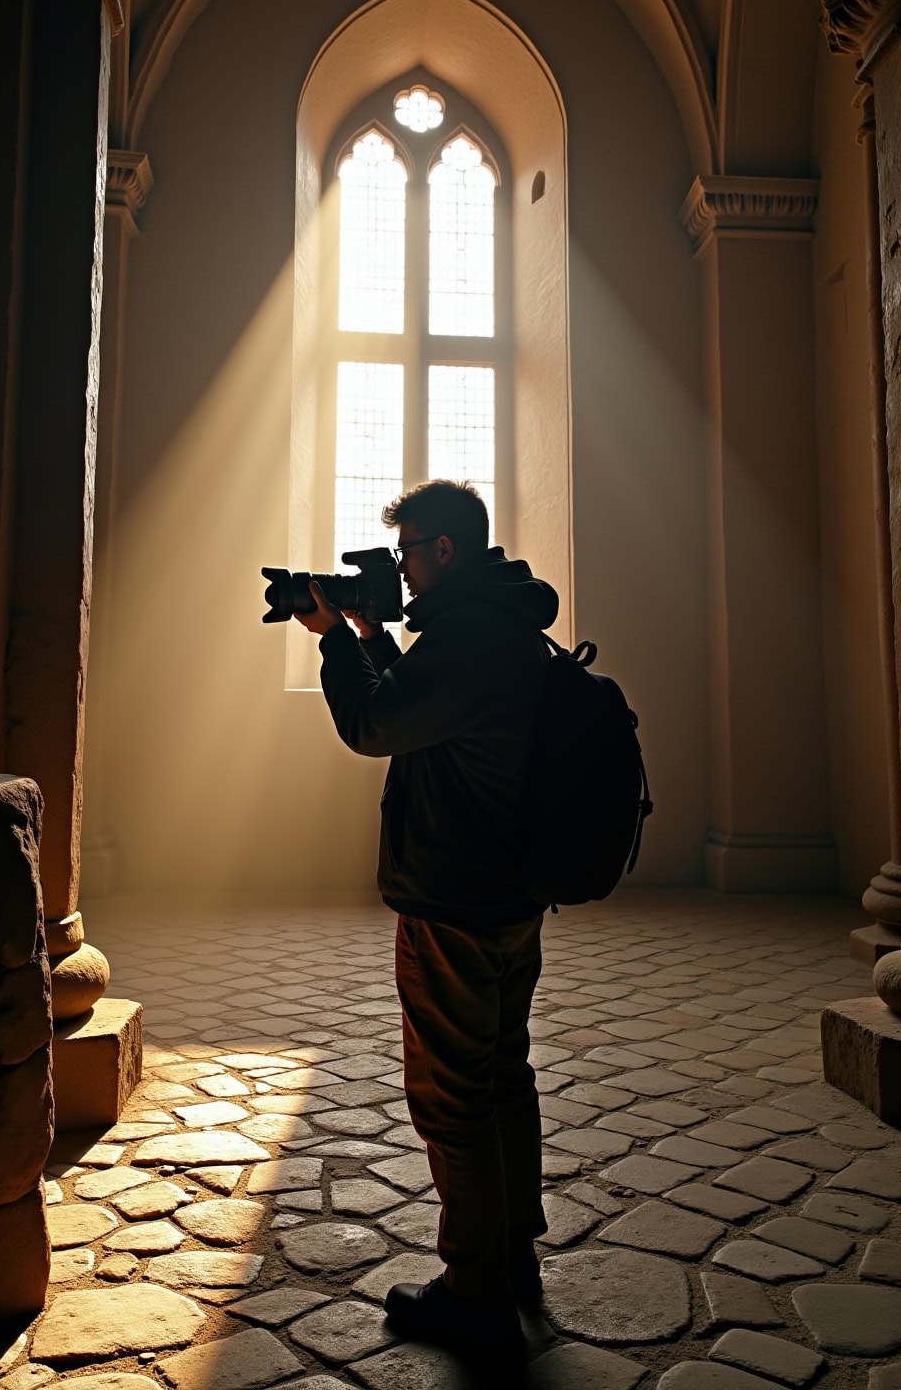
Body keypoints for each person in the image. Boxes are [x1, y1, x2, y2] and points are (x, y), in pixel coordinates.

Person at [296, 479, 559, 1352]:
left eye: (407, 552)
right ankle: (511, 1254)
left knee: (451, 1096)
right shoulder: (500, 622)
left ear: (443, 549)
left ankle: (476, 1293)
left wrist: (336, 641)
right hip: (508, 892)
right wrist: (372, 632)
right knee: (502, 1074)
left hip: (455, 897)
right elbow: (419, 712)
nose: (399, 571)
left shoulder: (469, 637)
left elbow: (375, 727)